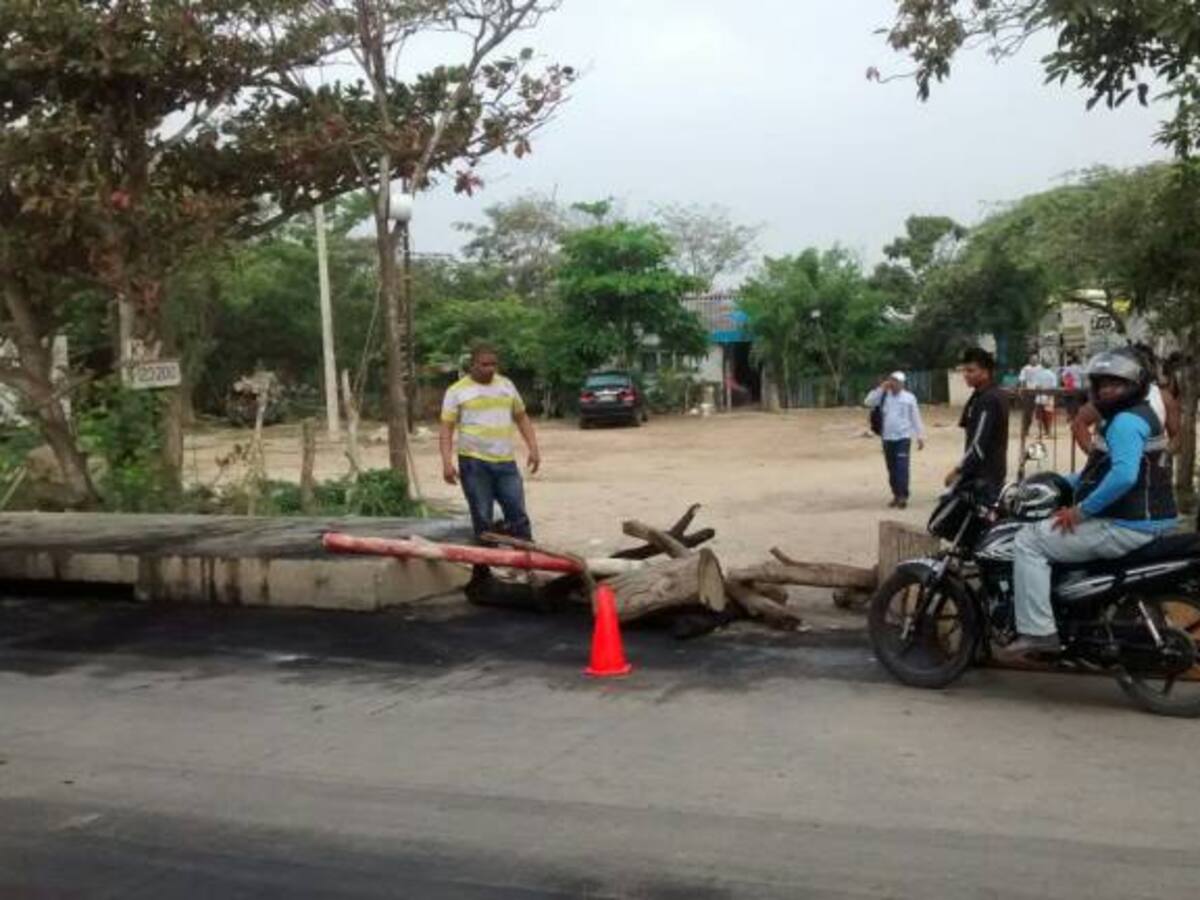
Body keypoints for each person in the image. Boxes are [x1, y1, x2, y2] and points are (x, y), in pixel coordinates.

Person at [1000, 348, 1178, 661]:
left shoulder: (1124, 422)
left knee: (1029, 541)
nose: (1108, 390)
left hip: (1126, 524)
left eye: (1117, 383)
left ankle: (1039, 632)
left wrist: (1080, 512)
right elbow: (1102, 469)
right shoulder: (1138, 415)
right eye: (1103, 383)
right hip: (1150, 518)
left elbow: (1123, 476)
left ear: (1135, 384)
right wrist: (1060, 483)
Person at [440, 343, 541, 543]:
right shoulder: (456, 391)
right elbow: (446, 429)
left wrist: (533, 448)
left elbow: (521, 417)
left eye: (493, 364)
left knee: (518, 515)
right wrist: (446, 463)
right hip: (474, 463)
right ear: (473, 365)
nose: (490, 369)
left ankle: (527, 567)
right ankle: (484, 570)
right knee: (483, 519)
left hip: (506, 462)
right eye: (484, 364)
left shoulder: (506, 385)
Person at [945, 347, 1009, 503]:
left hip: (984, 477)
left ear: (986, 373)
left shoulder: (987, 399)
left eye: (971, 370)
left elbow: (978, 446)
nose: (966, 375)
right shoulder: (983, 395)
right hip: (986, 474)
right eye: (965, 370)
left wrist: (958, 471)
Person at [863, 371, 925, 509]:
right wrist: (881, 389)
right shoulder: (884, 395)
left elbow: (915, 417)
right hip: (887, 438)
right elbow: (867, 402)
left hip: (903, 438)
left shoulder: (909, 398)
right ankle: (896, 495)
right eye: (892, 380)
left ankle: (903, 496)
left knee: (902, 467)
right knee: (891, 469)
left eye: (897, 381)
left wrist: (920, 436)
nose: (894, 383)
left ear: (902, 383)